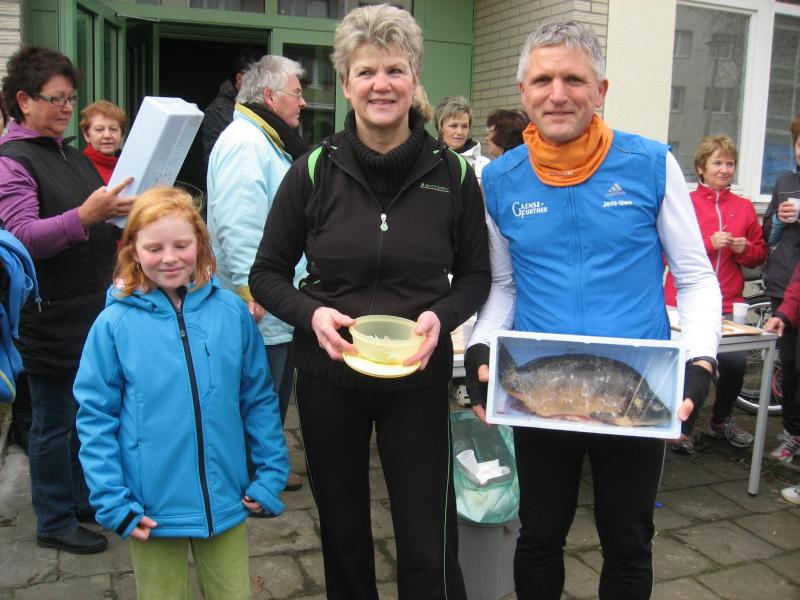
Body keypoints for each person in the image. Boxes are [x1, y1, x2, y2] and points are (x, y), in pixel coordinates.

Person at [464, 22, 720, 599]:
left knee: (627, 539)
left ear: (600, 90)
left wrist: (701, 363)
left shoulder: (651, 164)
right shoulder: (498, 180)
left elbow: (696, 279)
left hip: (632, 387)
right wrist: (481, 344)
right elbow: (503, 285)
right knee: (539, 534)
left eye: (574, 79)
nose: (558, 94)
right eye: (543, 80)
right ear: (524, 92)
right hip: (544, 391)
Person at [249, 5, 490, 599]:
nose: (381, 84)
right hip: (329, 373)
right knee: (343, 531)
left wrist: (442, 316)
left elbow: (476, 277)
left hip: (418, 374)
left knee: (427, 535)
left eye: (394, 70)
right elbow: (267, 274)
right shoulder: (312, 169)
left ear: (414, 79)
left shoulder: (454, 175)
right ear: (346, 82)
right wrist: (311, 314)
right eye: (366, 71)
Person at [73, 186, 288, 599]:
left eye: (181, 245)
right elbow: (95, 417)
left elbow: (258, 397)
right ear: (133, 251)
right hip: (150, 509)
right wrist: (112, 500)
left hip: (226, 499)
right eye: (154, 247)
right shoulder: (113, 326)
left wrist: (270, 472)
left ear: (200, 244)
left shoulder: (231, 313)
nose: (169, 257)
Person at [0, 46, 133, 555]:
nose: (66, 108)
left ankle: (81, 500)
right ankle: (53, 519)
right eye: (56, 99)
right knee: (52, 422)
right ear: (23, 101)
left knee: (83, 416)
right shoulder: (13, 162)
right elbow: (22, 239)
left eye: (70, 98)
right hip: (49, 314)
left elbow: (97, 219)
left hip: (89, 309)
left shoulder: (67, 153)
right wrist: (86, 216)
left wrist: (123, 213)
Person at [207, 54, 308, 492]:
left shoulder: (263, 139)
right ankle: (252, 476)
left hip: (274, 300)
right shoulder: (246, 143)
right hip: (260, 305)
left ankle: (265, 466)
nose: (303, 103)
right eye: (296, 93)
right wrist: (255, 291)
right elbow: (239, 224)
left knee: (269, 393)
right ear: (270, 96)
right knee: (258, 392)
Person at [664, 135, 766, 453]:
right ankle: (682, 427)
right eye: (717, 163)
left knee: (735, 363)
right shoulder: (686, 203)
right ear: (701, 168)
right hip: (682, 303)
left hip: (729, 303)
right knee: (687, 363)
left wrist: (744, 248)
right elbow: (665, 253)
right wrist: (709, 243)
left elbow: (759, 256)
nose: (724, 169)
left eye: (730, 163)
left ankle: (721, 420)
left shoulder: (744, 207)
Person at [762, 112, 800, 463]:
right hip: (785, 282)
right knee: (788, 364)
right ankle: (792, 432)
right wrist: (778, 218)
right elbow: (768, 234)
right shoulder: (785, 181)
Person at [201, 46, 264, 169]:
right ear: (239, 78)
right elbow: (213, 160)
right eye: (254, 81)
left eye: (262, 82)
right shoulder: (217, 111)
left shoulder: (262, 106)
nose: (259, 87)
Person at [435, 94, 490, 180]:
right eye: (453, 126)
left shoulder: (485, 165)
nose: (460, 132)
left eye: (464, 126)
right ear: (440, 127)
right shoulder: (427, 161)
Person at [79, 100, 128, 184]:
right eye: (99, 129)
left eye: (113, 129)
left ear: (122, 135)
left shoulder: (130, 166)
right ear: (87, 136)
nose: (107, 135)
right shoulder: (78, 168)